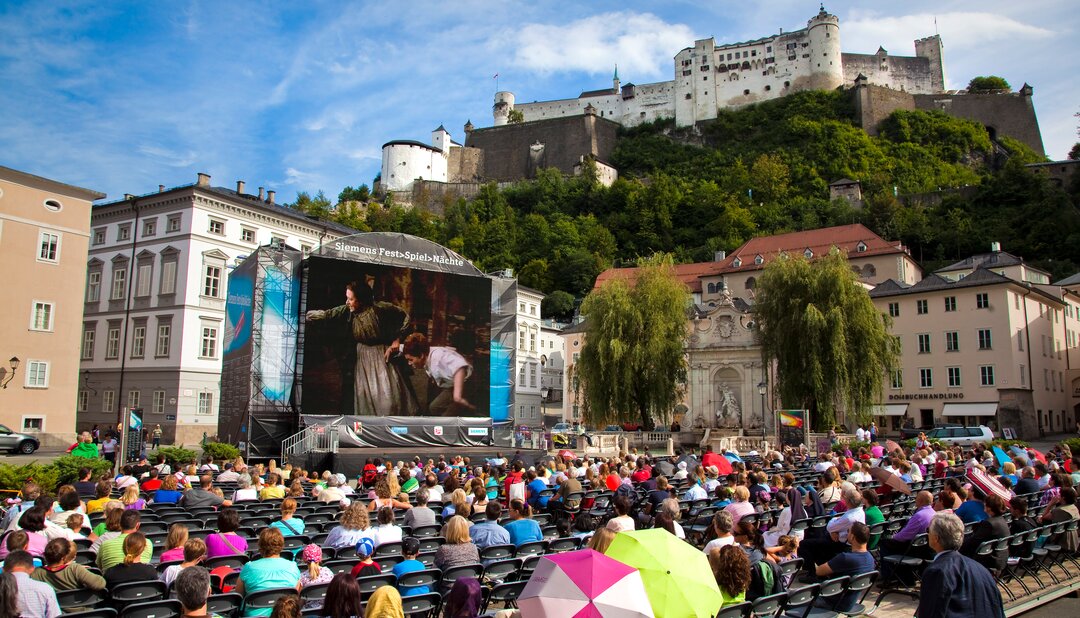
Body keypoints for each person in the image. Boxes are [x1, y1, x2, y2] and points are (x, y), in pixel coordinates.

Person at [306, 281, 417, 417]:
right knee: (366, 397)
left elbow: (405, 316)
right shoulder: (347, 310)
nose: (347, 302)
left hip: (381, 355)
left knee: (388, 399)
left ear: (361, 299)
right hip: (362, 356)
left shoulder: (380, 308)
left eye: (351, 299)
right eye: (347, 298)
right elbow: (328, 315)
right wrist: (305, 315)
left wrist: (397, 339)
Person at [916, 512, 1005, 618]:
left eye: (928, 531)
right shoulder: (981, 569)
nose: (927, 534)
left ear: (936, 538)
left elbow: (932, 613)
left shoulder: (937, 571)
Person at [401, 332, 475, 416]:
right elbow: (407, 348)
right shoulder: (422, 350)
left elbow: (460, 368)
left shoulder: (439, 357)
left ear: (421, 355)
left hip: (465, 384)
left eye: (411, 360)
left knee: (447, 417)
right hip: (451, 386)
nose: (409, 363)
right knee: (434, 407)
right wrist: (393, 348)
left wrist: (457, 396)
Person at [237, 528, 302, 617]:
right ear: (281, 544)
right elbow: (296, 595)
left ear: (260, 545)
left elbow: (239, 596)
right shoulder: (293, 567)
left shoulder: (249, 567)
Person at [814, 523, 875, 611]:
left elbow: (818, 571)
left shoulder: (845, 558)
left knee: (792, 601)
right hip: (849, 603)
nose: (847, 534)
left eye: (848, 531)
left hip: (830, 602)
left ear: (853, 537)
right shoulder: (870, 559)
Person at [30, 538, 106, 591]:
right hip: (81, 611)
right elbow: (100, 583)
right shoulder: (75, 569)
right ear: (64, 557)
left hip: (55, 613)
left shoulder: (36, 573)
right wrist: (79, 570)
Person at [960, 494, 1010, 573]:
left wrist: (958, 545)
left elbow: (973, 541)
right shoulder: (1002, 520)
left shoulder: (989, 523)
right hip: (1001, 558)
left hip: (990, 559)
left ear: (989, 507)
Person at [4, 550, 60, 618]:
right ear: (32, 569)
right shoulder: (45, 588)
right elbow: (54, 615)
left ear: (4, 569)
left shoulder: (2, 587)